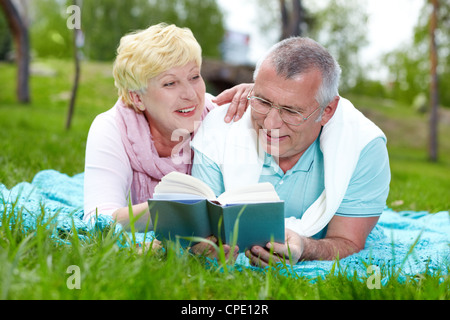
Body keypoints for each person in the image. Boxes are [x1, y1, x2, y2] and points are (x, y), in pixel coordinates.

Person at [191, 37, 391, 266]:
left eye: (290, 111)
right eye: (264, 102)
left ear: (327, 111)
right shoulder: (222, 125)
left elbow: (348, 242)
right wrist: (203, 244)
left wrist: (307, 248)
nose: (271, 123)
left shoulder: (363, 147)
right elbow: (203, 224)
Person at [83, 22, 244, 257]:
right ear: (136, 98)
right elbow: (98, 219)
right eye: (170, 83)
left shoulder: (220, 116)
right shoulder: (112, 128)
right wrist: (174, 214)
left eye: (194, 77)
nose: (190, 94)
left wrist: (259, 95)